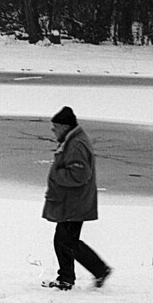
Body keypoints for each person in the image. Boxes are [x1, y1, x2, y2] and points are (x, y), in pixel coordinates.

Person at [41, 106, 112, 291]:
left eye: (55, 126)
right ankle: (68, 278)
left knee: (67, 241)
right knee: (64, 240)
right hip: (72, 202)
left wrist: (57, 175)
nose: (53, 130)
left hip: (74, 203)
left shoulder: (76, 144)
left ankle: (98, 270)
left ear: (65, 127)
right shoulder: (72, 140)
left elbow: (80, 174)